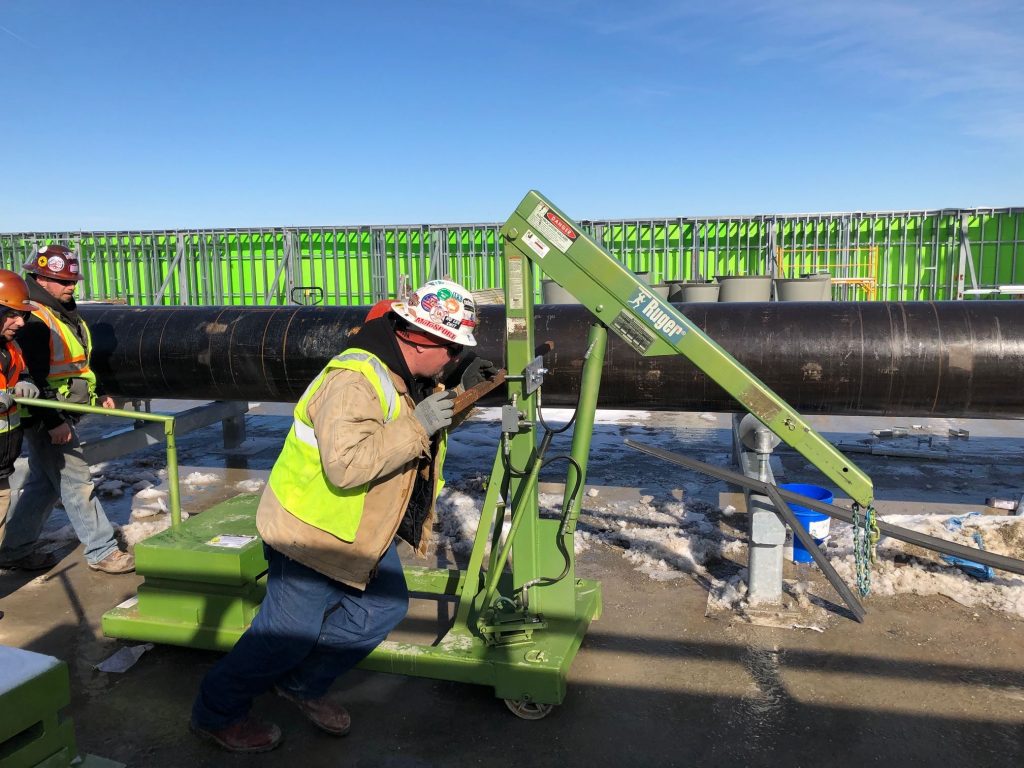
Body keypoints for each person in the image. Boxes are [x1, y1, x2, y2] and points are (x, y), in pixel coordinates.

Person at [191, 279, 489, 753]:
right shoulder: (354, 381)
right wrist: (421, 422)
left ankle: (299, 685)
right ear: (418, 338)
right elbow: (348, 466)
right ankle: (216, 712)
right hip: (309, 531)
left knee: (380, 608)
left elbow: (413, 424)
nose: (455, 360)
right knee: (285, 636)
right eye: (452, 350)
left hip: (358, 529)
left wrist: (461, 396)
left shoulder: (403, 374)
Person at [0, 245, 134, 574]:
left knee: (43, 485)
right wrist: (54, 421)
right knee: (76, 481)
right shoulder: (33, 319)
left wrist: (97, 391)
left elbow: (76, 361)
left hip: (58, 411)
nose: (71, 286)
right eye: (61, 281)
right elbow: (34, 376)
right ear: (39, 278)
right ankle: (103, 551)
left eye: (73, 280)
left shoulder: (61, 310)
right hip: (47, 416)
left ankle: (14, 550)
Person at [0, 270, 41, 550]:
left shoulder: (10, 347)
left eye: (23, 316)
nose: (20, 322)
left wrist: (26, 383)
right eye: (13, 314)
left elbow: (21, 373)